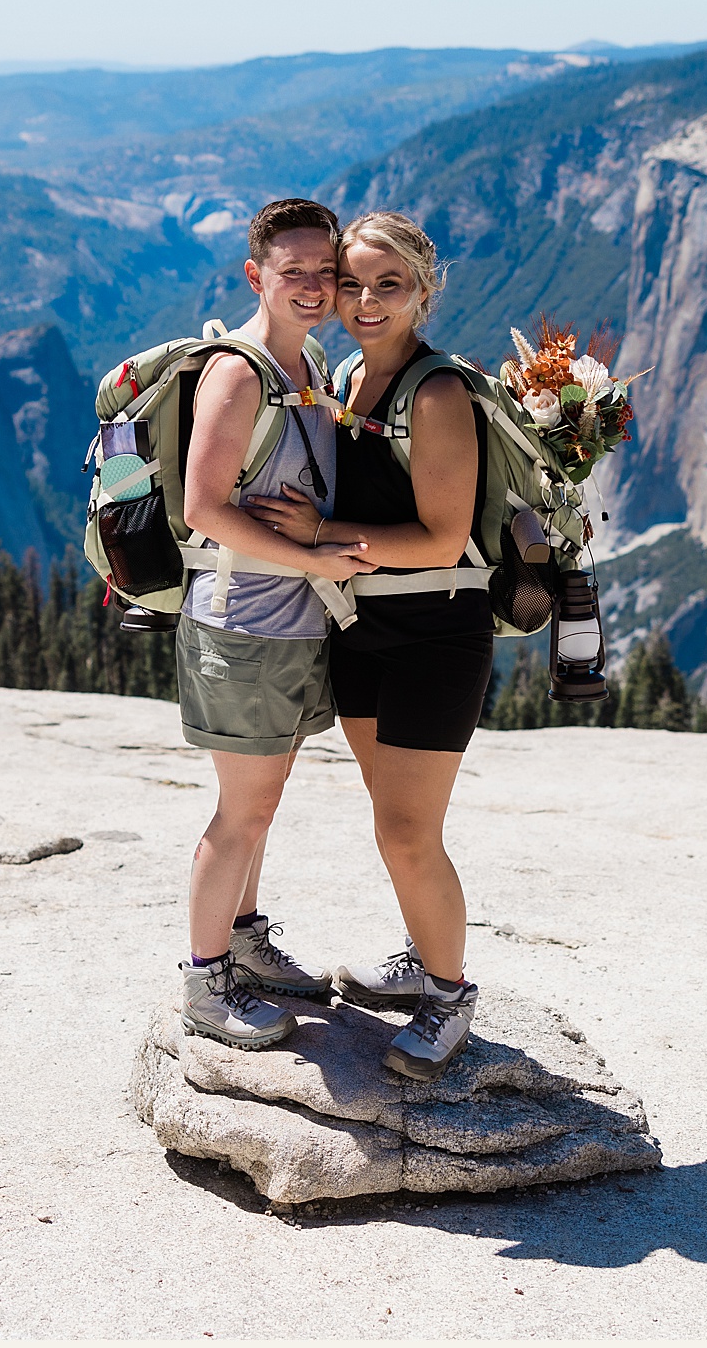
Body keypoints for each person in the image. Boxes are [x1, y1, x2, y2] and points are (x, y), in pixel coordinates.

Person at [243, 211, 488, 1080]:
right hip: (361, 631)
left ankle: (450, 993)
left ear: (424, 291)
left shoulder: (437, 393)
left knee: (410, 833)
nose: (368, 300)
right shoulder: (345, 374)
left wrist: (320, 532)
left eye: (391, 284)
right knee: (393, 825)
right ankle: (426, 958)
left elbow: (444, 537)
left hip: (434, 635)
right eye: (354, 283)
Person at [174, 198, 378, 1052]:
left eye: (325, 272)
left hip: (294, 628)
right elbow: (203, 507)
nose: (313, 286)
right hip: (244, 627)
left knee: (263, 803)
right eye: (293, 272)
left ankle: (246, 943)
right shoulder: (241, 373)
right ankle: (205, 981)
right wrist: (316, 561)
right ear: (256, 274)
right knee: (240, 814)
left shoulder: (314, 367)